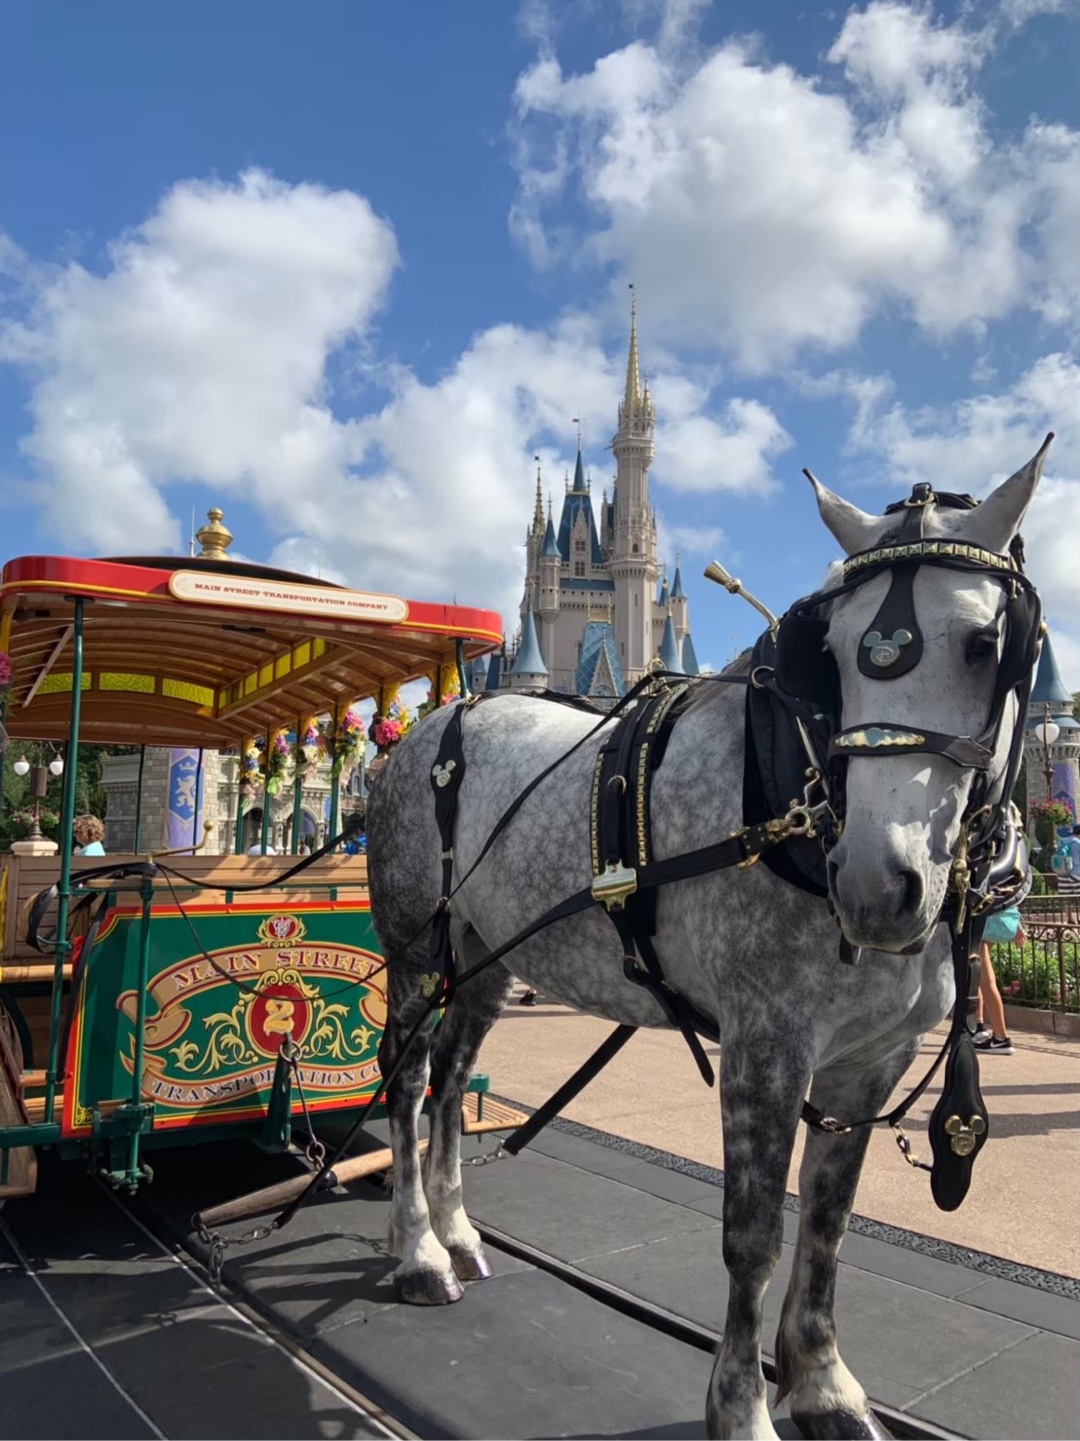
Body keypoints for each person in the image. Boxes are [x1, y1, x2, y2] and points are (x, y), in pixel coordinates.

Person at [975, 905, 1025, 1055]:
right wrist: (1017, 925)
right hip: (998, 921)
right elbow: (1009, 897)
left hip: (980, 922)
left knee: (985, 980)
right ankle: (979, 1025)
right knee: (976, 974)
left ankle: (1000, 1038)